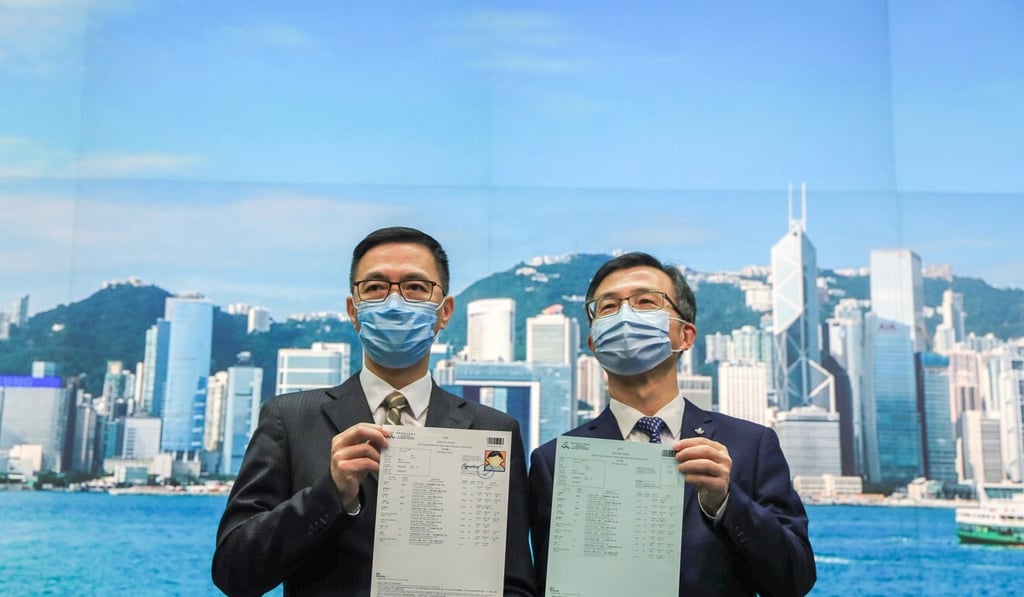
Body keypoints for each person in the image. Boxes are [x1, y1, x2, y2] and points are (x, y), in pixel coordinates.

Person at [212, 226, 535, 596]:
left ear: (444, 312)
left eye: (415, 287)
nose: (394, 302)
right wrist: (330, 493)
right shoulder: (290, 418)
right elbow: (234, 571)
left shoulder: (492, 430)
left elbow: (514, 580)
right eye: (376, 287)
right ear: (354, 310)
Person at [528, 252, 815, 596]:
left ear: (686, 335)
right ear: (594, 342)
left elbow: (794, 580)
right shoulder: (554, 460)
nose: (624, 316)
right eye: (608, 307)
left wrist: (726, 501)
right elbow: (548, 582)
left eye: (645, 302)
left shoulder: (751, 445)